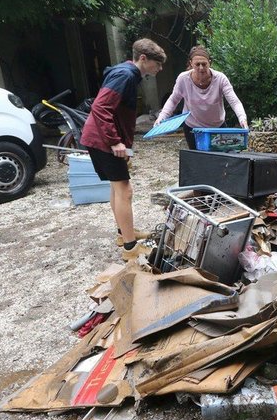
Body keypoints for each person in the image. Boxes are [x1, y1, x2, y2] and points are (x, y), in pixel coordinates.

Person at [80, 39, 167, 259]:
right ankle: (130, 248)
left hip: (102, 139)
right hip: (103, 141)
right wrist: (114, 142)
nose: (160, 68)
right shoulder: (125, 75)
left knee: (116, 188)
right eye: (158, 63)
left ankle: (124, 233)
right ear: (144, 59)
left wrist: (124, 144)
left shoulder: (128, 74)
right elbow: (100, 108)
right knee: (125, 191)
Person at [155, 46, 248, 149]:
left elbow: (234, 101)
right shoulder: (183, 79)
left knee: (220, 160)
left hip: (217, 127)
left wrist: (242, 118)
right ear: (191, 63)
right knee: (198, 160)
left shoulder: (220, 78)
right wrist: (161, 117)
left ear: (210, 62)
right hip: (193, 128)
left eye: (204, 64)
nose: (201, 68)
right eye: (197, 64)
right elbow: (173, 100)